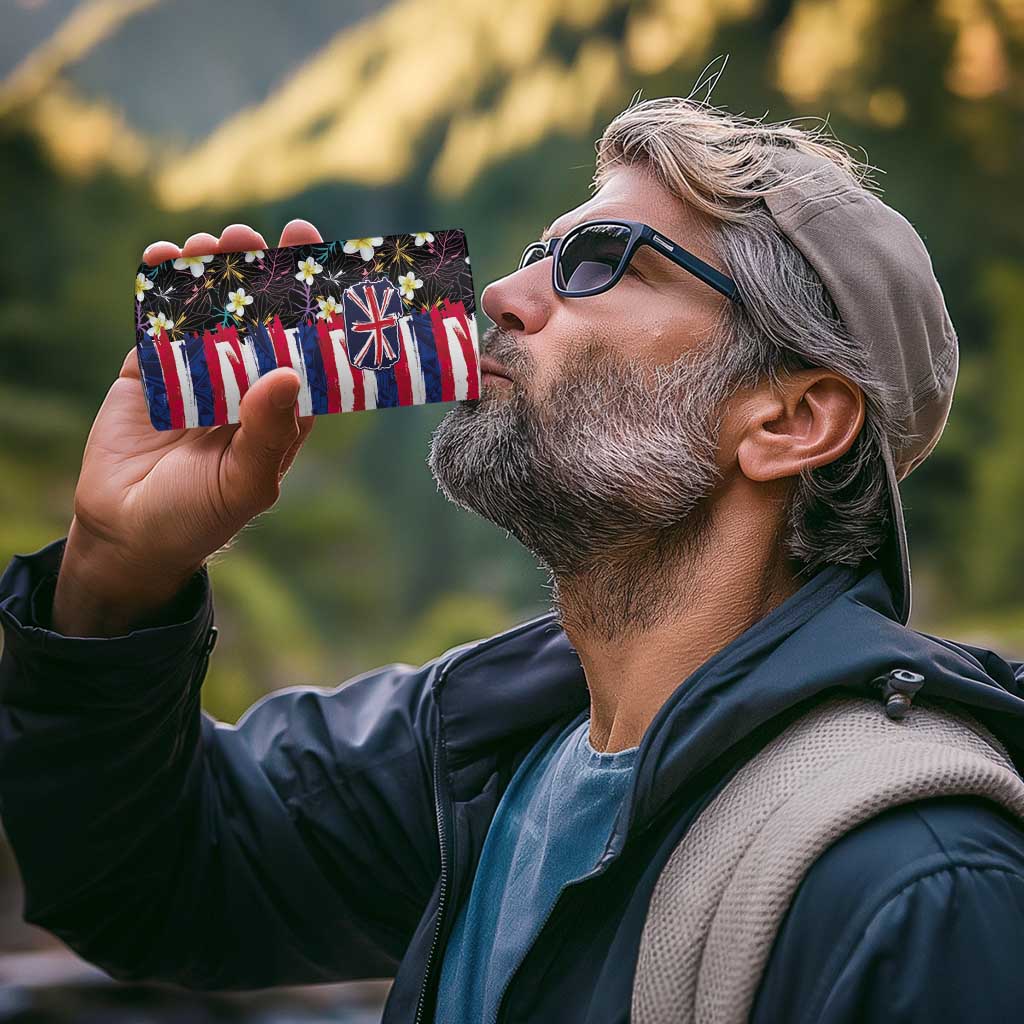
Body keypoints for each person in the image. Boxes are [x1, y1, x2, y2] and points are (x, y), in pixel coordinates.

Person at [2, 95, 1024, 1024]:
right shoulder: (479, 749)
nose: (500, 292)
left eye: (600, 261)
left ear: (791, 419)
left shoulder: (918, 884)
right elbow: (149, 880)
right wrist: (115, 572)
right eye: (540, 252)